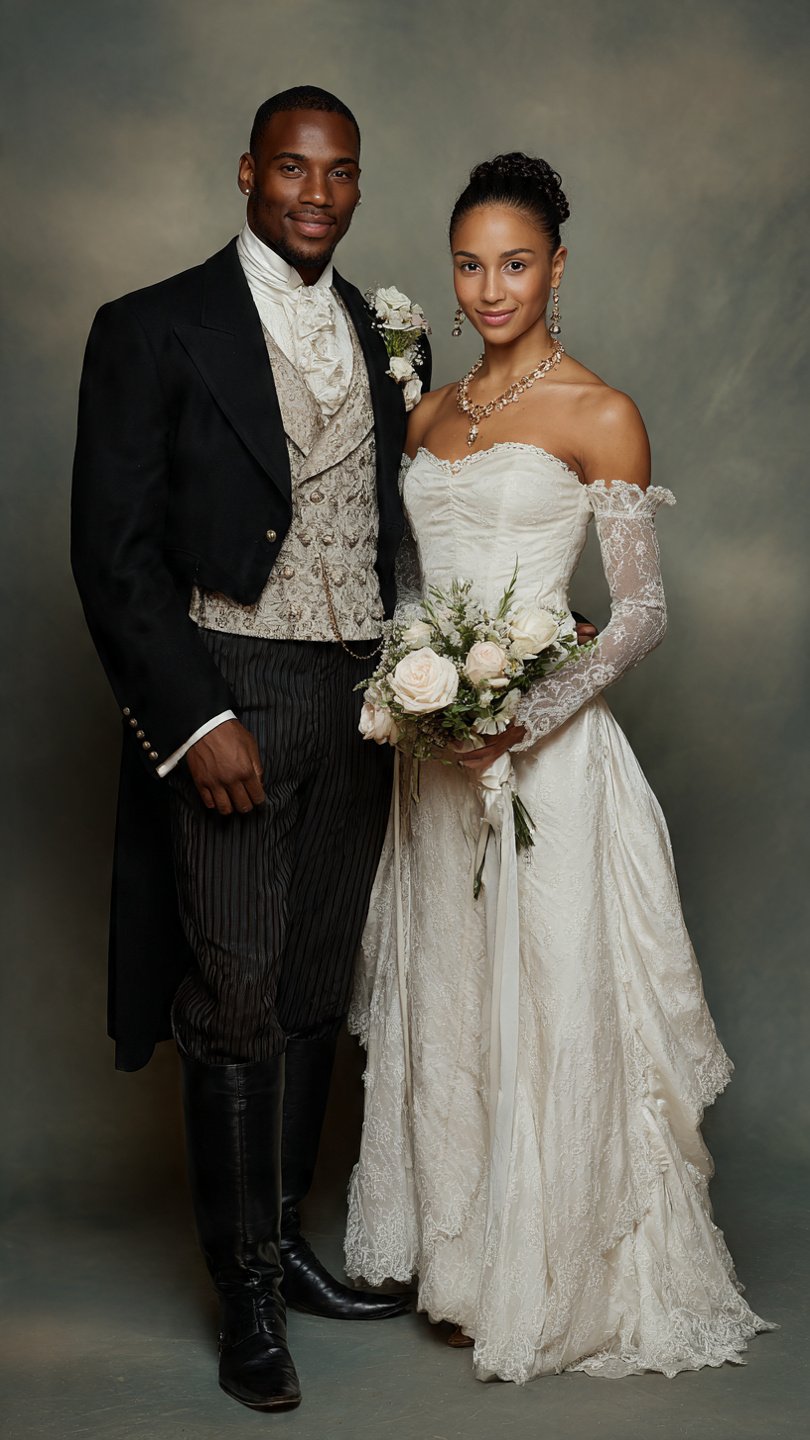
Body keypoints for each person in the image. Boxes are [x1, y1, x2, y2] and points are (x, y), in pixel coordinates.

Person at [345, 153, 771, 1383]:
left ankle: (551, 1270)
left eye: (515, 264)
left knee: (548, 999)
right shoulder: (427, 412)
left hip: (546, 768)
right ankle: (461, 1261)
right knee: (452, 997)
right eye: (470, 265)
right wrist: (420, 688)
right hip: (435, 764)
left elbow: (638, 614)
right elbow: (414, 592)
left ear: (557, 267)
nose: (490, 289)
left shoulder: (601, 412)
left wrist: (520, 716)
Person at [71, 86, 434, 1413]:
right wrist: (195, 720)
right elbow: (111, 558)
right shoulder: (151, 326)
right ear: (246, 173)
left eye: (338, 174)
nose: (315, 195)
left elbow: (394, 520)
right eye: (291, 169)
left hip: (361, 699)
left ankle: (284, 1240)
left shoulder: (384, 333)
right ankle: (246, 1298)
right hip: (233, 689)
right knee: (232, 992)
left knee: (312, 982)